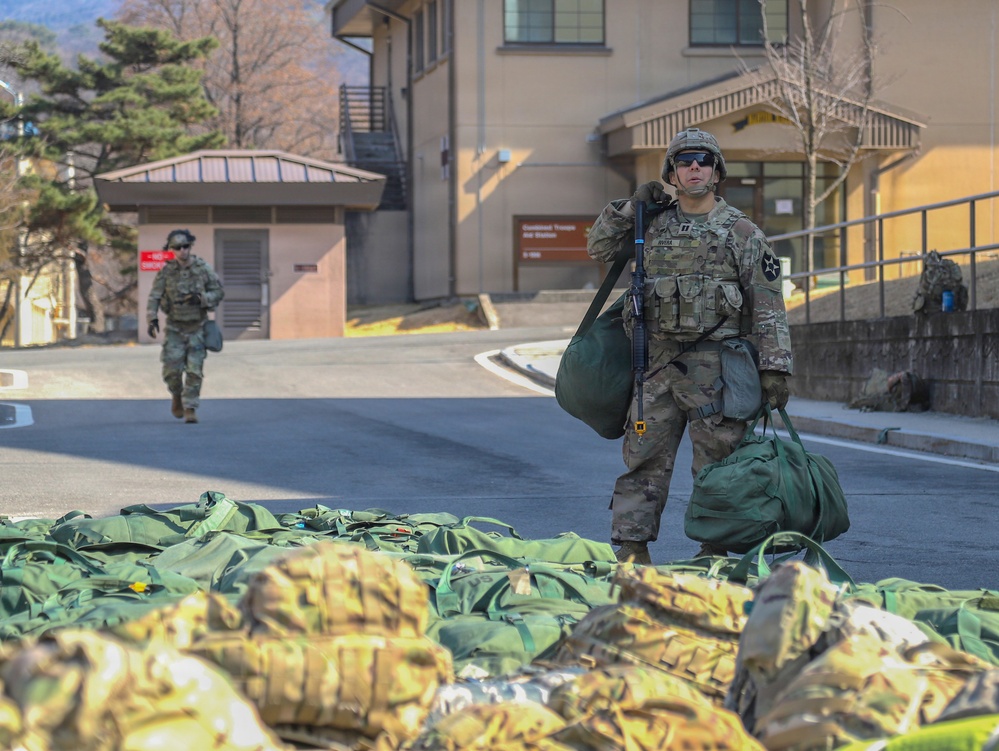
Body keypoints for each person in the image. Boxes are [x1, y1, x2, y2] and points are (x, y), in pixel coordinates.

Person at [586, 127, 794, 564]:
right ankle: (631, 548)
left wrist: (775, 367)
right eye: (684, 161)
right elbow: (598, 245)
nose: (694, 167)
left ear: (716, 170)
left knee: (718, 466)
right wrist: (630, 208)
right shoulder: (650, 226)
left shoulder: (742, 232)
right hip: (655, 369)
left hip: (716, 372)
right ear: (672, 173)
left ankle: (713, 551)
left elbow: (769, 303)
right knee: (642, 460)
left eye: (702, 160)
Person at [146, 229, 224, 424]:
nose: (182, 251)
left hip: (197, 327)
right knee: (171, 371)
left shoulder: (203, 268)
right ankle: (176, 395)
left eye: (185, 246)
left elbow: (218, 291)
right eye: (177, 247)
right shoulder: (166, 271)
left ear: (190, 246)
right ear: (171, 250)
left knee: (194, 370)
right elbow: (155, 296)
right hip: (174, 328)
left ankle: (190, 407)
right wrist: (151, 318)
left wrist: (202, 298)